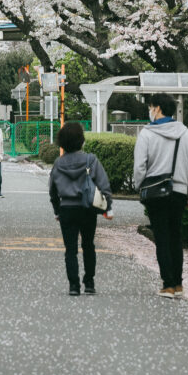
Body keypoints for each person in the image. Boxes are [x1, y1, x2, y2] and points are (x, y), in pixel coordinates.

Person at [132, 93, 188, 298]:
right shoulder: (184, 133)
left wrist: (139, 186)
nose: (150, 111)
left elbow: (140, 166)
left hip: (155, 193)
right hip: (179, 191)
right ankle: (178, 284)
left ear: (158, 108)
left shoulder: (146, 134)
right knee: (175, 236)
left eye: (151, 107)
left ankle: (168, 285)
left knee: (161, 238)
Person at [49, 122, 113, 296]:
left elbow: (53, 191)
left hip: (66, 209)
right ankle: (89, 282)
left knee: (70, 249)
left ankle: (74, 286)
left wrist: (57, 210)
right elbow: (103, 184)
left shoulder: (58, 163)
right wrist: (109, 206)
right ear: (81, 140)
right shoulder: (90, 160)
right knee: (88, 245)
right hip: (87, 208)